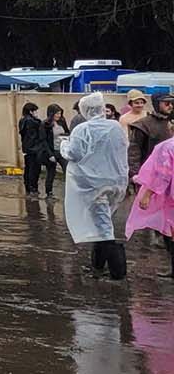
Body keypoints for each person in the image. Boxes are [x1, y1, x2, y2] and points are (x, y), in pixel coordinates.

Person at [61, 92, 129, 279]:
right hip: (115, 183)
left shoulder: (82, 130)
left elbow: (74, 153)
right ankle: (97, 267)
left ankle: (118, 272)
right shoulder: (115, 127)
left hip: (93, 186)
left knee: (104, 229)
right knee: (101, 225)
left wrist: (64, 145)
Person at [126, 133, 174, 278]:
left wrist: (147, 193)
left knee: (171, 232)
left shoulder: (167, 146)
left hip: (170, 198)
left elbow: (162, 174)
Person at [126, 93, 174, 188]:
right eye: (167, 103)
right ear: (157, 104)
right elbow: (134, 152)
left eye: (172, 103)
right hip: (151, 175)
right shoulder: (143, 125)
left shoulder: (171, 122)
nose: (171, 106)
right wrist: (135, 174)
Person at [18, 102, 50, 198]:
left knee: (28, 168)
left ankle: (28, 187)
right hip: (34, 149)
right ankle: (33, 188)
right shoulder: (32, 122)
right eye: (35, 111)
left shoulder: (22, 120)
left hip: (26, 148)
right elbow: (38, 131)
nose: (37, 112)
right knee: (34, 169)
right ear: (31, 111)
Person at [42, 103, 71, 199]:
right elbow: (43, 140)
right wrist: (50, 154)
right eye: (57, 113)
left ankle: (69, 192)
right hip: (52, 150)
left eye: (60, 113)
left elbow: (67, 132)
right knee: (51, 172)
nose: (59, 116)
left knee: (67, 170)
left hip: (62, 150)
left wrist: (66, 138)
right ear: (51, 114)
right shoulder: (45, 124)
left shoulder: (62, 121)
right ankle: (49, 193)